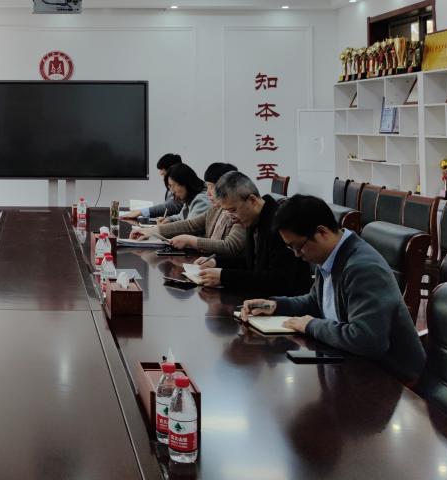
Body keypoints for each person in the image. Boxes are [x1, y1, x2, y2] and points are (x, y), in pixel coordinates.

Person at [240, 194, 426, 381]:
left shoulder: (362, 268)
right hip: (351, 363)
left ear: (321, 232)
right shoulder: (330, 256)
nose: (297, 254)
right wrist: (275, 305)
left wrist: (311, 325)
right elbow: (316, 301)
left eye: (298, 246)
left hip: (390, 377)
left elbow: (367, 340)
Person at [195, 170, 311, 296]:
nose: (232, 218)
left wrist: (224, 277)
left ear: (252, 200)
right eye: (227, 212)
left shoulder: (279, 224)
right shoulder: (255, 218)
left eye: (233, 210)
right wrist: (216, 262)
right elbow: (250, 262)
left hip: (287, 300)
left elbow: (278, 281)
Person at [130, 162, 246, 257]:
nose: (208, 193)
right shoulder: (216, 209)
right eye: (208, 186)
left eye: (212, 187)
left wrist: (190, 240)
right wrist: (153, 231)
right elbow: (191, 225)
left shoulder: (239, 213)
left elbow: (230, 246)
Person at [120, 153, 184, 219]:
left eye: (164, 175)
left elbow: (172, 206)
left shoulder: (182, 186)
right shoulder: (172, 187)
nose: (164, 179)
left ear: (173, 172)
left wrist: (141, 212)